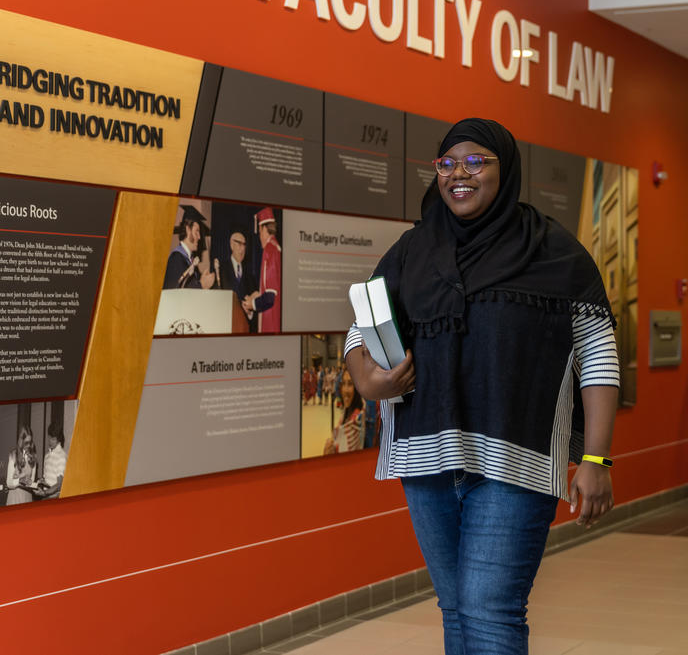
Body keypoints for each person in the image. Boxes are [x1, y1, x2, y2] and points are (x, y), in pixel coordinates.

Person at [345, 118, 620, 655]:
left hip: (515, 462)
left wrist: (597, 459)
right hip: (426, 460)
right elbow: (362, 326)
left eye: (476, 162)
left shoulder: (555, 253)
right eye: (447, 163)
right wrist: (368, 378)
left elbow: (598, 355)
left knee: (490, 611)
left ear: (506, 168)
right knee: (456, 610)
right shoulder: (411, 251)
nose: (458, 175)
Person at [163, 204, 216, 290]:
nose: (199, 237)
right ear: (188, 230)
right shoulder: (176, 259)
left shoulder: (190, 261)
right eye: (196, 232)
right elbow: (177, 293)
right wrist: (201, 285)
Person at [245, 207, 281, 333]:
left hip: (270, 322)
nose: (259, 236)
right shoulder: (277, 248)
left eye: (259, 232)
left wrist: (251, 304)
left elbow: (270, 297)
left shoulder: (269, 251)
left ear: (263, 229)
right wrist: (259, 295)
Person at [222, 230, 257, 332]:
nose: (243, 248)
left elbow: (255, 311)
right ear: (231, 245)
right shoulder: (220, 269)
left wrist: (250, 312)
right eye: (239, 244)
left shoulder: (250, 277)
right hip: (225, 328)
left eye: (244, 245)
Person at [323, 368, 364, 455]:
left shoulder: (355, 421)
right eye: (343, 384)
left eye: (350, 384)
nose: (345, 390)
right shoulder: (347, 411)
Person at [33, 423, 67, 500]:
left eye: (53, 439)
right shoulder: (47, 455)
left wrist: (45, 492)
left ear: (59, 439)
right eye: (49, 437)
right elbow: (49, 480)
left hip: (55, 498)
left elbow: (59, 484)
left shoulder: (61, 456)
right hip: (45, 497)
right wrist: (42, 481)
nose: (50, 441)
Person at [4, 424, 35, 506]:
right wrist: (20, 480)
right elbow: (9, 483)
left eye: (30, 442)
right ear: (21, 441)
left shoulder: (32, 457)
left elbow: (31, 481)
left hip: (27, 498)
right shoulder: (13, 455)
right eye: (26, 443)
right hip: (14, 499)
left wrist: (33, 483)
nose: (28, 446)